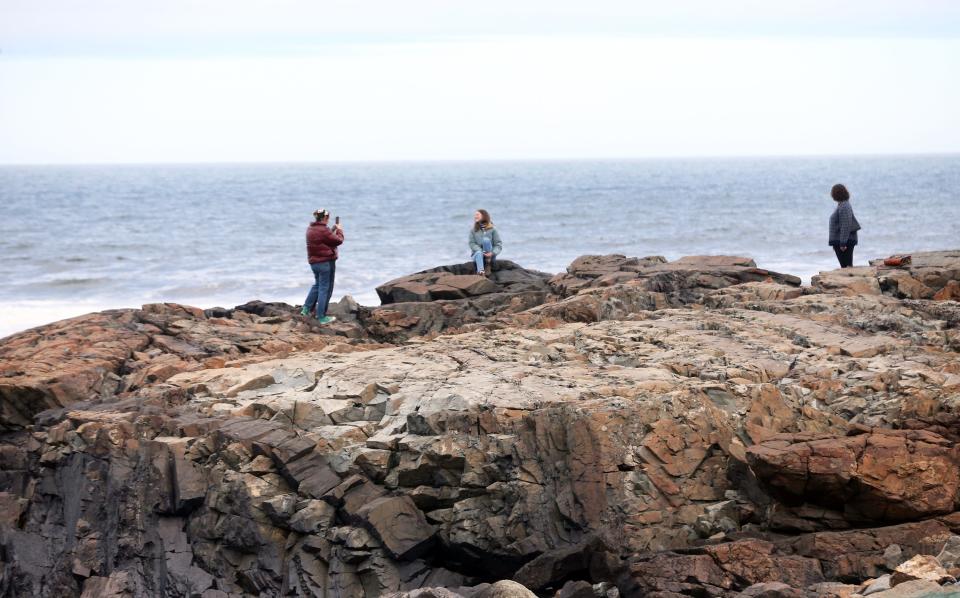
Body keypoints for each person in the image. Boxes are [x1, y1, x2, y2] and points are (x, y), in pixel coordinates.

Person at [301, 209, 343, 324]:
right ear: (325, 218)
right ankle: (321, 316)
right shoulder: (324, 231)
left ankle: (306, 309)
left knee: (317, 285)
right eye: (328, 217)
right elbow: (338, 241)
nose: (328, 219)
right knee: (324, 289)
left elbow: (324, 237)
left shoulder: (310, 229)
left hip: (314, 263)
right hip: (325, 263)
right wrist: (339, 230)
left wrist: (333, 229)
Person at [828, 183, 861, 268]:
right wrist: (835, 242)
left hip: (845, 242)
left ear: (836, 194)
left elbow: (846, 225)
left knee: (846, 267)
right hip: (841, 241)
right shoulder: (842, 205)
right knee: (845, 266)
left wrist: (842, 243)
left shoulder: (844, 206)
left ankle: (852, 281)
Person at [468, 209, 502, 276]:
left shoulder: (493, 229)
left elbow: (498, 244)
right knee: (478, 252)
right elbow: (472, 243)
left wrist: (492, 253)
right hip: (477, 255)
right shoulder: (473, 230)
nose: (475, 216)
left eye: (477, 215)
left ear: (484, 216)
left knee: (486, 240)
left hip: (490, 256)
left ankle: (488, 263)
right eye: (475, 215)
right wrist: (480, 251)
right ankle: (481, 272)